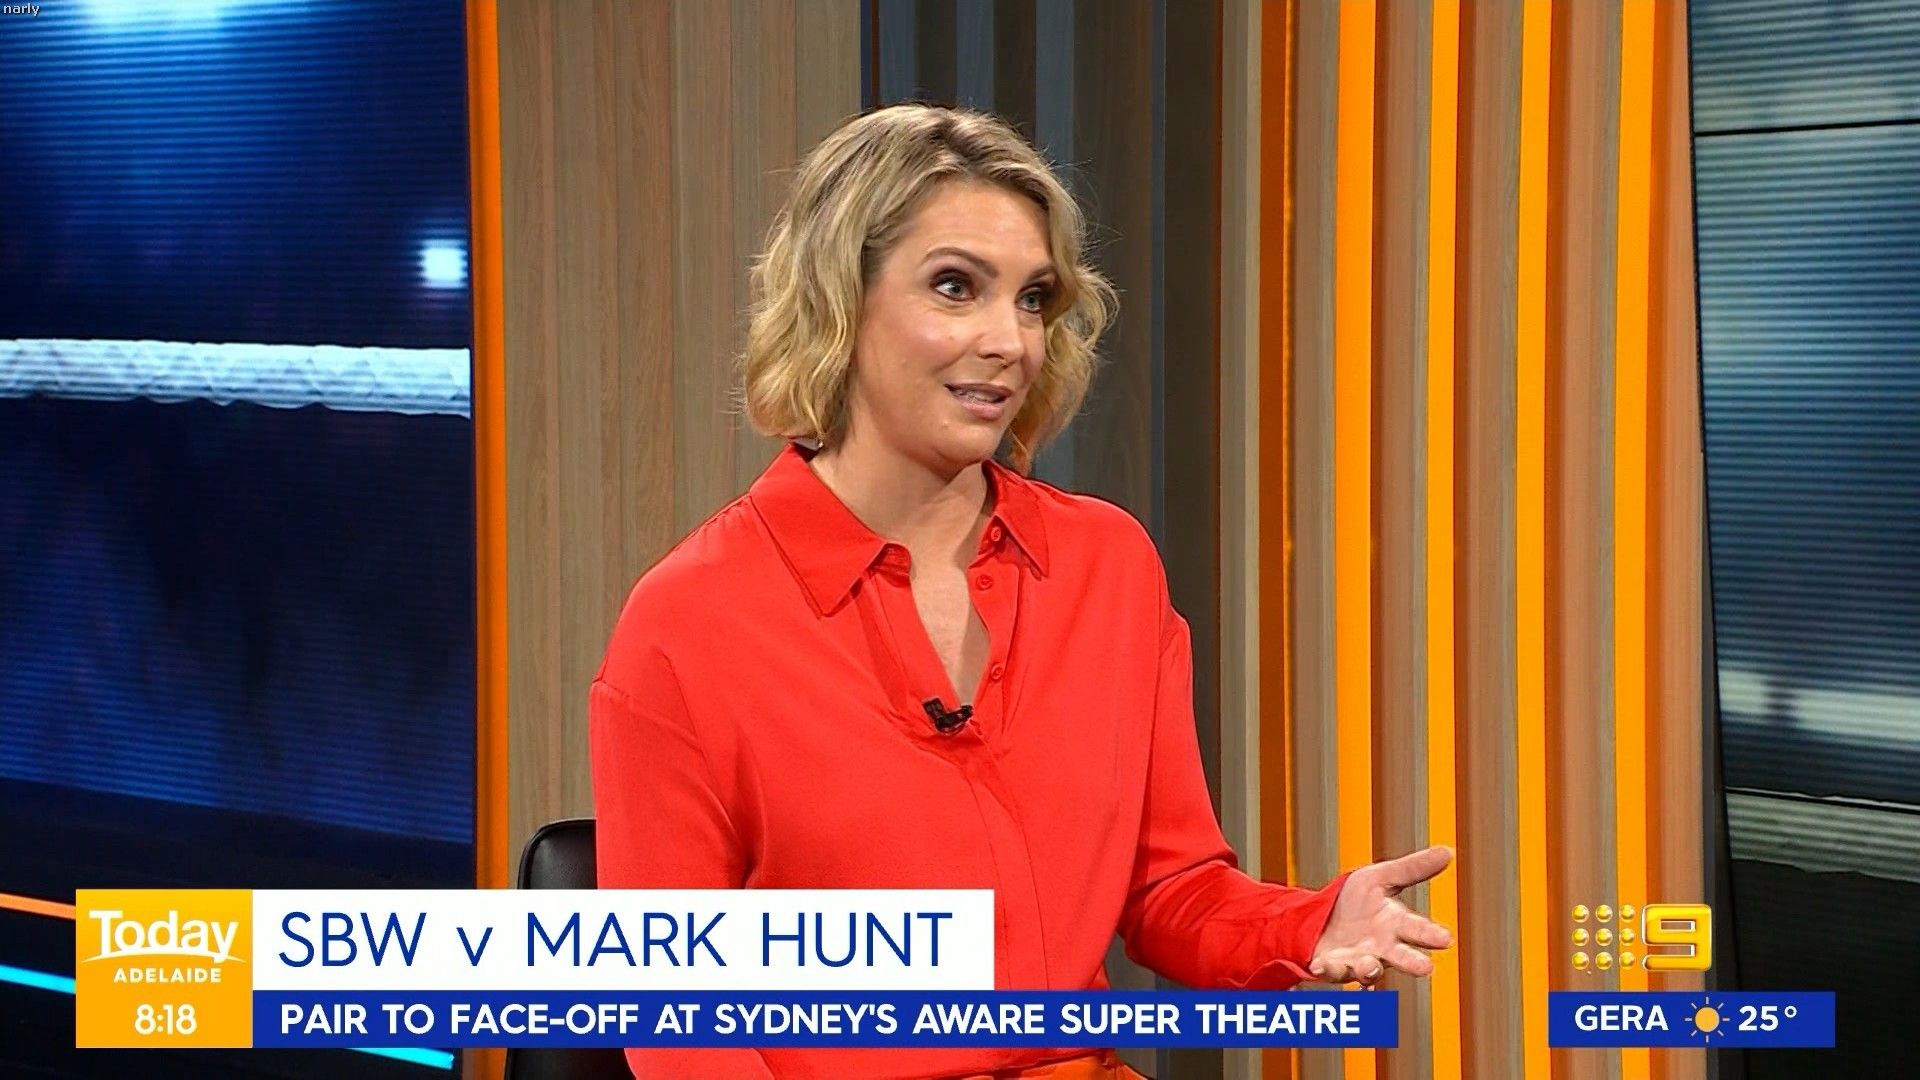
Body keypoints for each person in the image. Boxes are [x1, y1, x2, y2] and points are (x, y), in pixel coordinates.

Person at [590, 103, 1453, 1080]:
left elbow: (1171, 891)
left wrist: (1303, 925)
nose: (1010, 340)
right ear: (840, 300)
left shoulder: (1108, 567)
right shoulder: (690, 620)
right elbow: (681, 1027)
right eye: (956, 287)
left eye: (1033, 299)